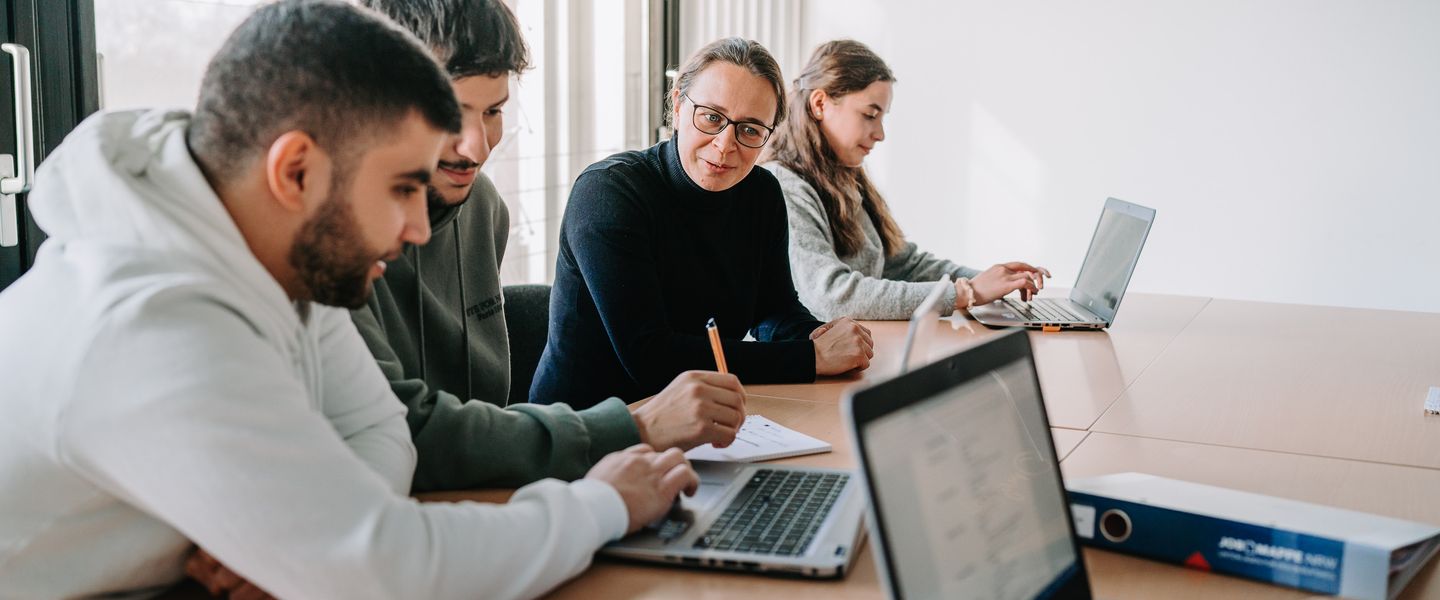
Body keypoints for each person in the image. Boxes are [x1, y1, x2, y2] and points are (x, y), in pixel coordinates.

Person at [0, 2, 695, 598]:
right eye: (399, 188)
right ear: (295, 171)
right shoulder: (149, 323)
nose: (421, 227)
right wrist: (603, 502)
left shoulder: (281, 261)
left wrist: (311, 541)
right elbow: (389, 569)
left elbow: (379, 429)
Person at [348, 0, 746, 494]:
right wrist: (630, 429)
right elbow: (406, 432)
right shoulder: (330, 240)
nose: (477, 146)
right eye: (449, 111)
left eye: (494, 111)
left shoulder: (483, 209)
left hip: (488, 502)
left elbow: (483, 418)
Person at [530, 37, 875, 410]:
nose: (726, 144)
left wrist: (823, 336)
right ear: (678, 106)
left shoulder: (762, 193)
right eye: (711, 117)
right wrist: (812, 358)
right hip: (591, 431)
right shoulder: (608, 192)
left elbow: (773, 311)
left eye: (750, 130)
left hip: (701, 416)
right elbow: (652, 358)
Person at [762, 40, 1050, 321]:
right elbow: (832, 296)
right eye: (870, 115)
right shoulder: (784, 185)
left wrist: (993, 281)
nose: (880, 133)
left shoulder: (842, 179)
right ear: (820, 103)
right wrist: (967, 292)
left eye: (881, 118)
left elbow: (905, 265)